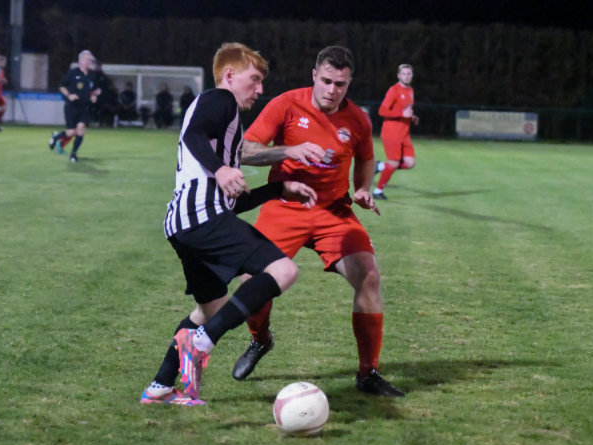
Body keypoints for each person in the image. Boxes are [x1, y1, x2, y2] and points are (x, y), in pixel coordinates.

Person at [140, 42, 317, 406]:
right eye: (255, 79)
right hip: (201, 215)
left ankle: (159, 388)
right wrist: (222, 170)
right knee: (283, 270)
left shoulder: (224, 122)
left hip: (185, 222)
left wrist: (278, 189)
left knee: (210, 309)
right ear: (230, 75)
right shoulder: (221, 99)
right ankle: (201, 343)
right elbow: (192, 136)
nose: (260, 89)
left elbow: (232, 201)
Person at [234, 45, 405, 397]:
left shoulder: (358, 119)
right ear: (314, 75)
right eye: (326, 81)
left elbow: (366, 158)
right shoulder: (286, 104)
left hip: (333, 212)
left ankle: (368, 373)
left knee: (369, 277)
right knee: (252, 281)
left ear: (349, 83)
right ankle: (260, 339)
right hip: (285, 207)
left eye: (340, 84)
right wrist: (288, 151)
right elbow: (244, 151)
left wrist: (362, 189)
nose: (332, 90)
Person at [373, 64, 419, 200]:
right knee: (393, 163)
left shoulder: (410, 90)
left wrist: (411, 117)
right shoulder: (394, 90)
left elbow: (405, 111)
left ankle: (380, 166)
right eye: (403, 73)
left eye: (409, 73)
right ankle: (377, 191)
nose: (406, 76)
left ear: (412, 75)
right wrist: (401, 114)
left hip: (404, 134)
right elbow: (382, 111)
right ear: (398, 75)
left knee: (410, 163)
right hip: (392, 133)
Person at [49, 50, 100, 162]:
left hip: (84, 107)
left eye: (89, 60)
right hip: (71, 106)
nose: (87, 61)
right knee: (71, 132)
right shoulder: (72, 73)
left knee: (80, 129)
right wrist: (69, 95)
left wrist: (94, 95)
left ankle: (73, 154)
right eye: (85, 59)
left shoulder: (92, 75)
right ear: (80, 60)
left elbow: (96, 89)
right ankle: (56, 137)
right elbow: (61, 86)